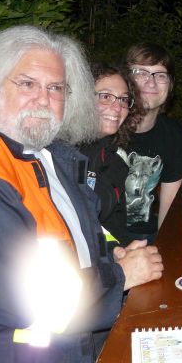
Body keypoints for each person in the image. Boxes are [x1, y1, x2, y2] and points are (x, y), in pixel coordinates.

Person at [0, 25, 163, 362]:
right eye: (27, 83)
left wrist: (111, 258)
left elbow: (70, 242)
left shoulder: (47, 154)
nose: (43, 99)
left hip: (70, 344)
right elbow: (26, 300)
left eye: (55, 88)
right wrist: (120, 276)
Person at [121, 42, 182, 244]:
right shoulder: (105, 129)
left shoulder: (175, 138)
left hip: (146, 237)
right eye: (141, 73)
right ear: (124, 79)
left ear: (170, 85)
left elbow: (169, 213)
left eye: (160, 75)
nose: (151, 83)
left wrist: (160, 249)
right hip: (100, 236)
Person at [79, 63, 144, 245]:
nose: (117, 107)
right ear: (82, 97)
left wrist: (126, 250)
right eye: (106, 97)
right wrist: (116, 253)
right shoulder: (61, 155)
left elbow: (115, 223)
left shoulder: (115, 158)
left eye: (123, 99)